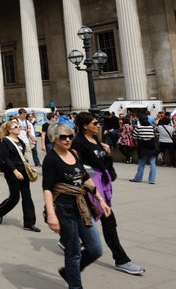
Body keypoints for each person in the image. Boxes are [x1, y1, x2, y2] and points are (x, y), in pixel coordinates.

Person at [69, 112, 145, 275]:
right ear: (85, 125)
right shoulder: (78, 144)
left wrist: (109, 155)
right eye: (95, 123)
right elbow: (76, 168)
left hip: (102, 183)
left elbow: (103, 162)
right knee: (107, 220)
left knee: (86, 220)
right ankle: (121, 259)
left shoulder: (96, 140)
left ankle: (69, 239)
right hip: (89, 186)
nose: (98, 126)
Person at [43, 122, 110, 288]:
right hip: (64, 208)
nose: (67, 140)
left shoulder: (73, 153)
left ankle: (69, 272)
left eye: (70, 136)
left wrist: (101, 200)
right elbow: (47, 189)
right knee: (73, 252)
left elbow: (85, 179)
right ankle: (75, 285)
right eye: (63, 137)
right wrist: (51, 214)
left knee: (95, 249)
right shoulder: (51, 159)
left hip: (82, 206)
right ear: (53, 138)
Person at [0, 121, 40, 232]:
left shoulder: (21, 141)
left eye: (19, 127)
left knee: (27, 197)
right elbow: (5, 158)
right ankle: (0, 211)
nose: (19, 128)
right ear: (9, 130)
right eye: (16, 127)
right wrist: (15, 171)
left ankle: (29, 223)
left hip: (23, 171)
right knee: (15, 197)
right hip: (12, 172)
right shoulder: (5, 142)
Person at [130, 114, 158, 184]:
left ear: (140, 120)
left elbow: (134, 136)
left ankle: (138, 178)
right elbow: (154, 135)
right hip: (152, 147)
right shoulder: (152, 127)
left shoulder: (138, 128)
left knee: (141, 164)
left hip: (142, 147)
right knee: (153, 164)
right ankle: (152, 180)